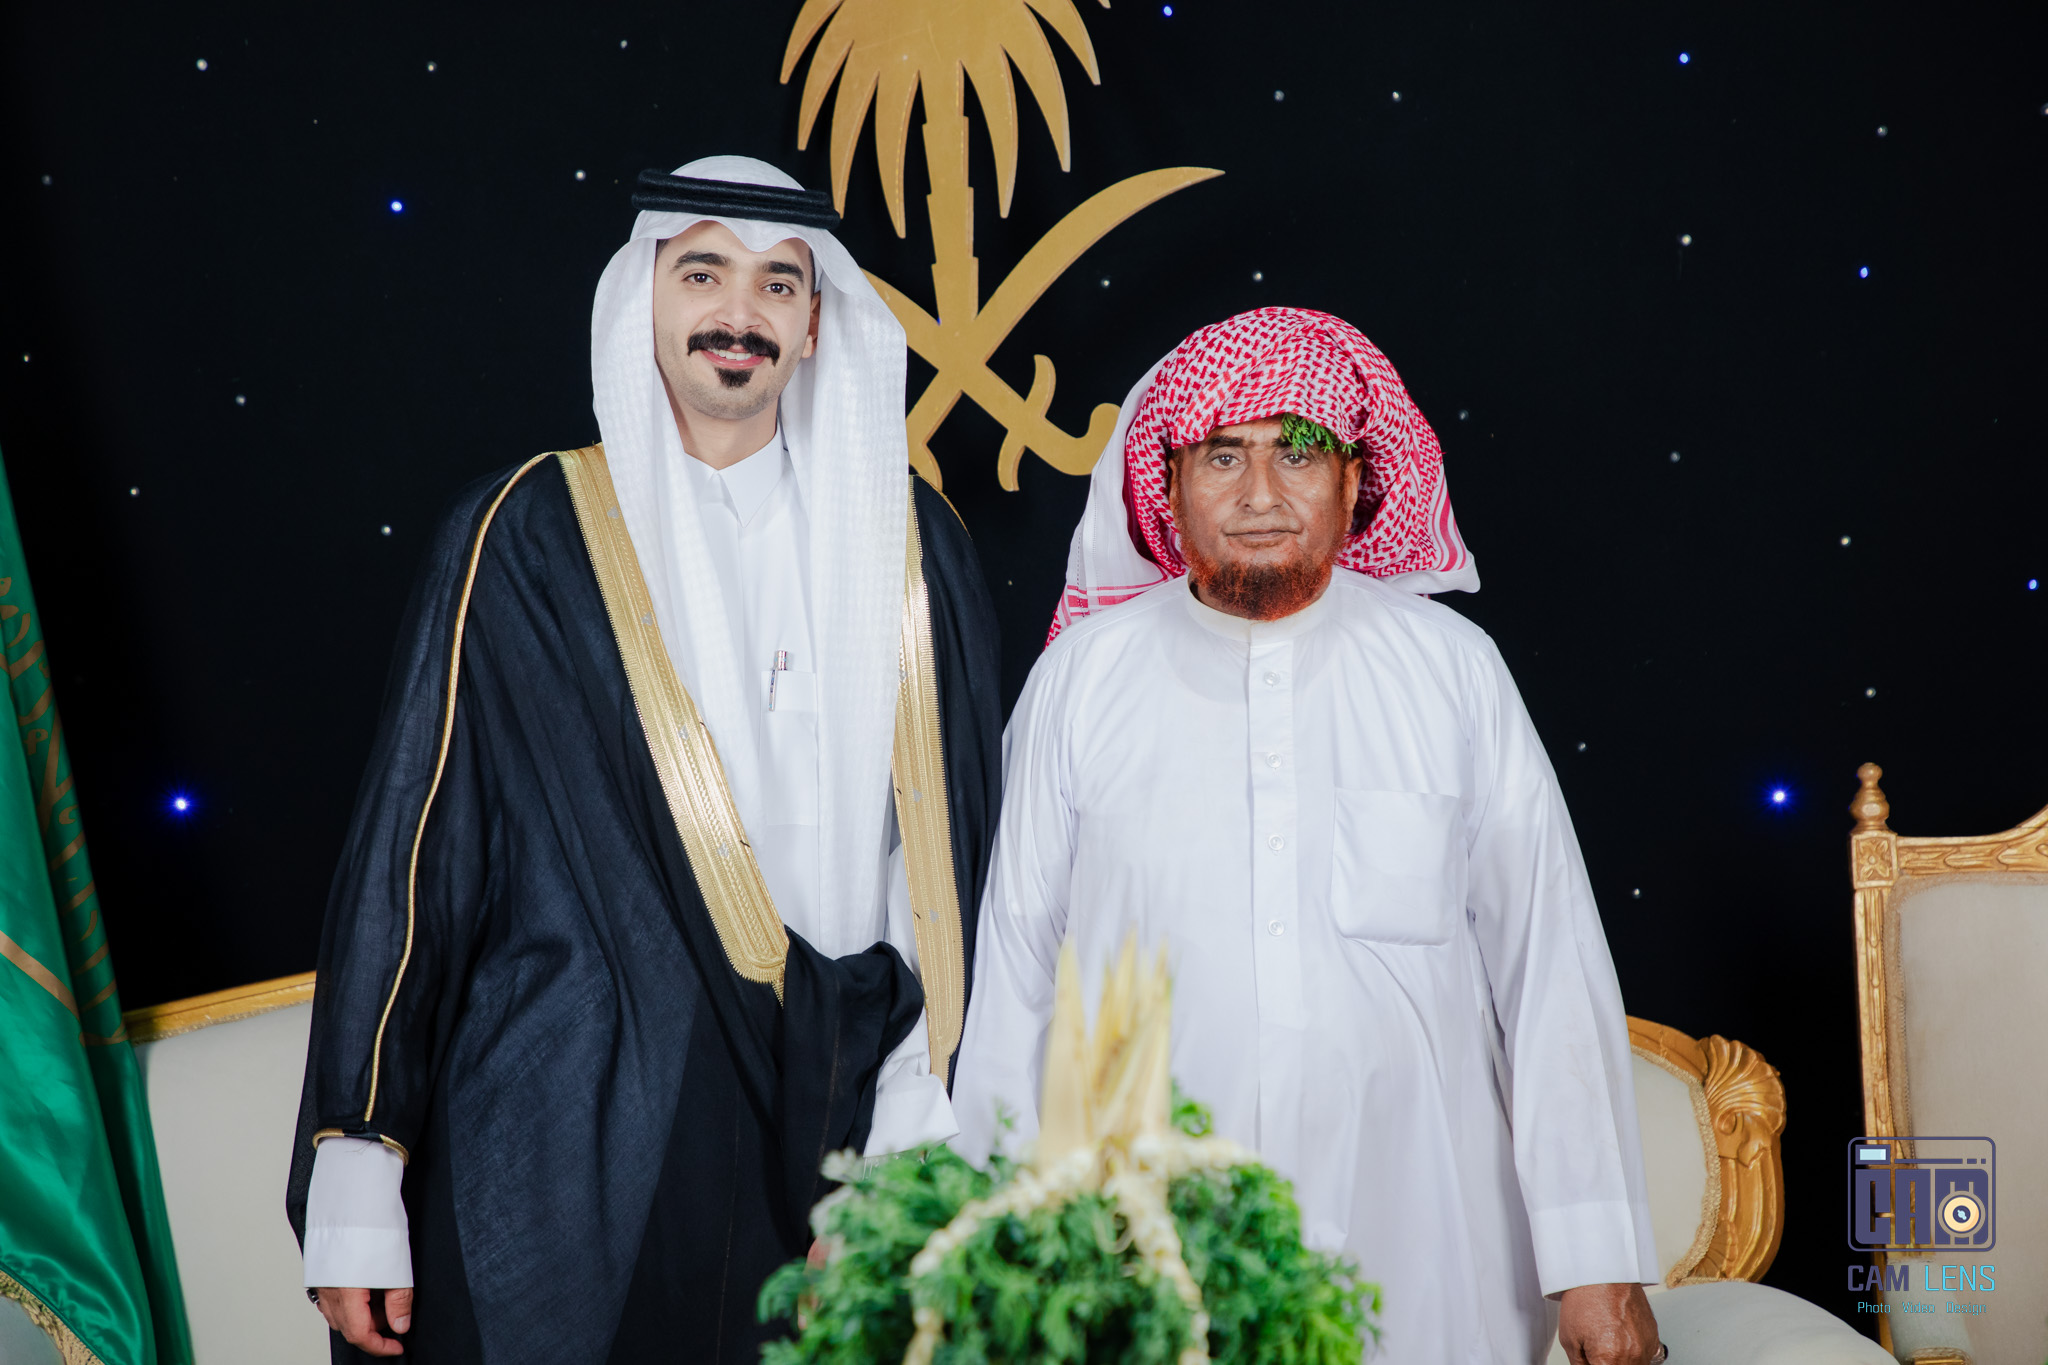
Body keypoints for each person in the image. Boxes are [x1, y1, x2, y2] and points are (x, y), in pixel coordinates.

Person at [286, 156, 1001, 1365]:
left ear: (816, 325)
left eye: (779, 285)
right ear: (645, 299)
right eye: (703, 274)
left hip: (838, 1121)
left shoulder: (910, 542)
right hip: (578, 1116)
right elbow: (417, 851)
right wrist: (357, 1180)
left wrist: (907, 1153)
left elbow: (947, 863)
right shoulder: (526, 531)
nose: (740, 313)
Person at [952, 308, 1664, 1364]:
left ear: (1353, 481)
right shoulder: (1080, 683)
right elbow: (1011, 987)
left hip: (1424, 1238)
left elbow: (1547, 970)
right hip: (1141, 1251)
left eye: (1297, 453)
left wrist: (1594, 1256)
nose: (1259, 494)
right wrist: (991, 1251)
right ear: (1169, 485)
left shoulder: (1451, 672)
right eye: (1221, 457)